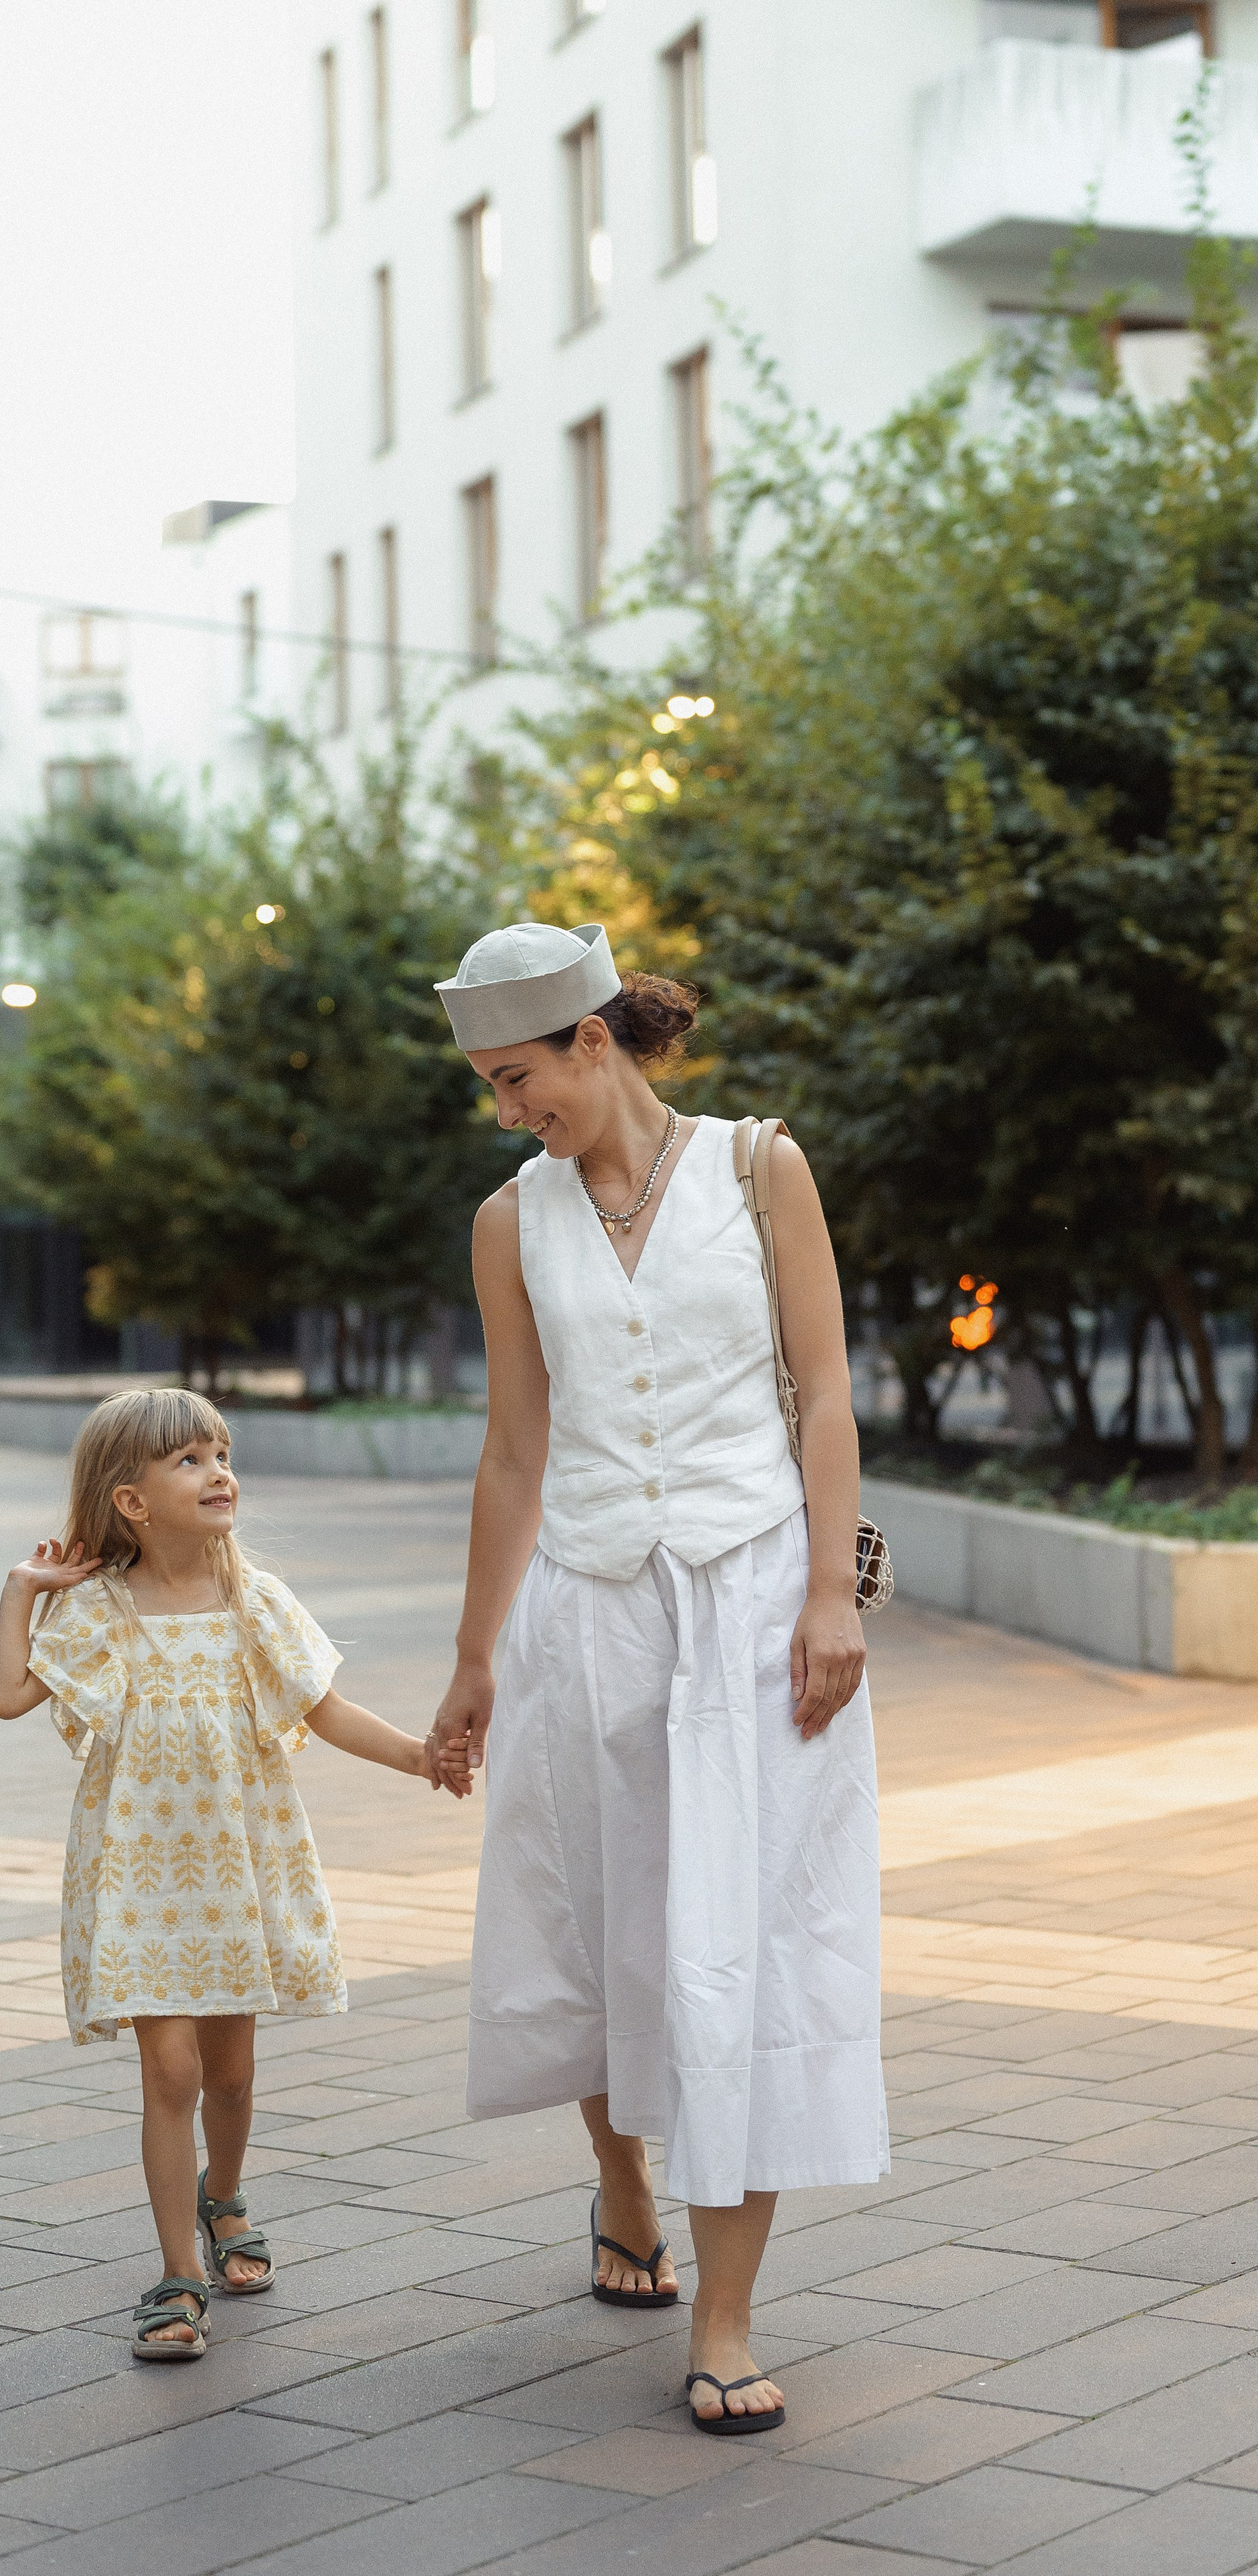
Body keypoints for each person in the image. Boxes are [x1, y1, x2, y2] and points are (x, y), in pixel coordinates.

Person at [426, 921, 888, 2435]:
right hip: (591, 1611)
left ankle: (728, 2310)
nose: (508, 1110)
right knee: (606, 1921)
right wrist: (472, 1656)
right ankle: (622, 2179)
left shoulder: (762, 1170)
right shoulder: (511, 1221)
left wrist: (830, 1590)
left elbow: (823, 1392)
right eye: (489, 1087)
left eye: (518, 1078)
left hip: (756, 1601)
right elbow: (513, 1447)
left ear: (592, 1041)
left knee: (743, 1938)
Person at [0, 1387, 469, 2361]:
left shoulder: (255, 1602)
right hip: (140, 1877)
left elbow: (325, 1710)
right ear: (131, 1501)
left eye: (222, 1454)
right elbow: (8, 1697)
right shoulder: (100, 1611)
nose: (221, 1474)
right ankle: (176, 2272)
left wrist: (422, 1755)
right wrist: (20, 1591)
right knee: (167, 2071)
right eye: (191, 1461)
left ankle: (225, 2195)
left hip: (236, 1867)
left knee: (232, 2074)